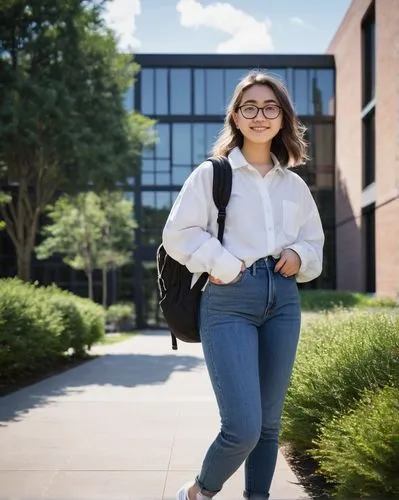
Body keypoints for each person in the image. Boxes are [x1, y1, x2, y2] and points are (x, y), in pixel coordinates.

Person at [162, 71, 325, 500]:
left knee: (270, 425)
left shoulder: (294, 185)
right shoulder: (213, 174)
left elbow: (315, 245)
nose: (260, 116)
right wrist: (225, 264)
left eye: (269, 107)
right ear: (235, 116)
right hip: (229, 300)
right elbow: (177, 234)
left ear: (282, 117)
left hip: (284, 301)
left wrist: (301, 256)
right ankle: (199, 491)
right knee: (243, 428)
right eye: (249, 107)